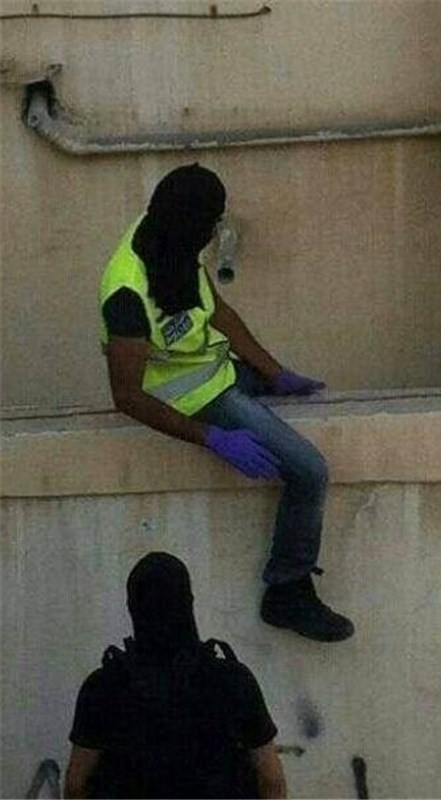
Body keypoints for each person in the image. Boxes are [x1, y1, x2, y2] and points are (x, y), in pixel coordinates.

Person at [99, 164, 354, 643]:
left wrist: (275, 373)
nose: (215, 232)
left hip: (219, 371)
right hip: (192, 401)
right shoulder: (127, 294)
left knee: (305, 407)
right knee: (309, 470)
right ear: (190, 222)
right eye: (212, 222)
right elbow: (127, 396)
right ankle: (288, 590)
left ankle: (289, 589)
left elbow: (217, 311)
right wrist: (212, 437)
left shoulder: (172, 239)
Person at [65, 552, 287, 799]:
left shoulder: (102, 687)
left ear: (133, 607)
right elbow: (271, 779)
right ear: (188, 602)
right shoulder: (233, 681)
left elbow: (76, 784)